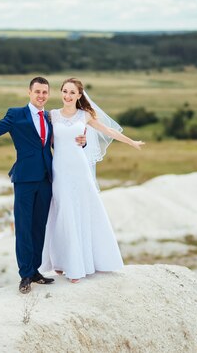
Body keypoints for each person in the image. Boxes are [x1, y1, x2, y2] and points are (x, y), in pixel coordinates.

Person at [0, 77, 86, 294]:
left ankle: (36, 270)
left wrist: (81, 144)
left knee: (39, 227)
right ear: (29, 93)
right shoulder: (16, 114)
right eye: (37, 91)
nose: (41, 96)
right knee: (23, 227)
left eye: (45, 92)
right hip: (25, 179)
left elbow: (64, 143)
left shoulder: (50, 117)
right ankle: (25, 274)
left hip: (47, 178)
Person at [40, 78, 144, 283]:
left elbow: (109, 131)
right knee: (63, 212)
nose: (68, 96)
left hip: (80, 170)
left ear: (80, 96)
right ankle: (63, 262)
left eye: (72, 93)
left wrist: (131, 142)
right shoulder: (51, 115)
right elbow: (48, 141)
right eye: (65, 91)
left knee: (84, 211)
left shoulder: (85, 116)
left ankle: (81, 265)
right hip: (60, 170)